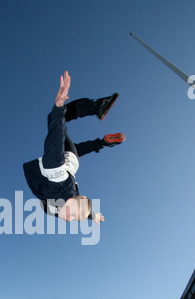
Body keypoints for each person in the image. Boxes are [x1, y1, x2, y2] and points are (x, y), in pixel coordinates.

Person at [23, 71, 125, 224]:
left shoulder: (64, 204)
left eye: (73, 219)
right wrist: (58, 109)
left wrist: (92, 216)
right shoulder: (57, 178)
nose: (69, 220)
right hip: (64, 159)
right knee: (53, 119)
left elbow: (80, 208)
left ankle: (103, 142)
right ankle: (96, 106)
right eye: (72, 215)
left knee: (78, 149)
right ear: (69, 201)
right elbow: (54, 143)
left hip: (72, 161)